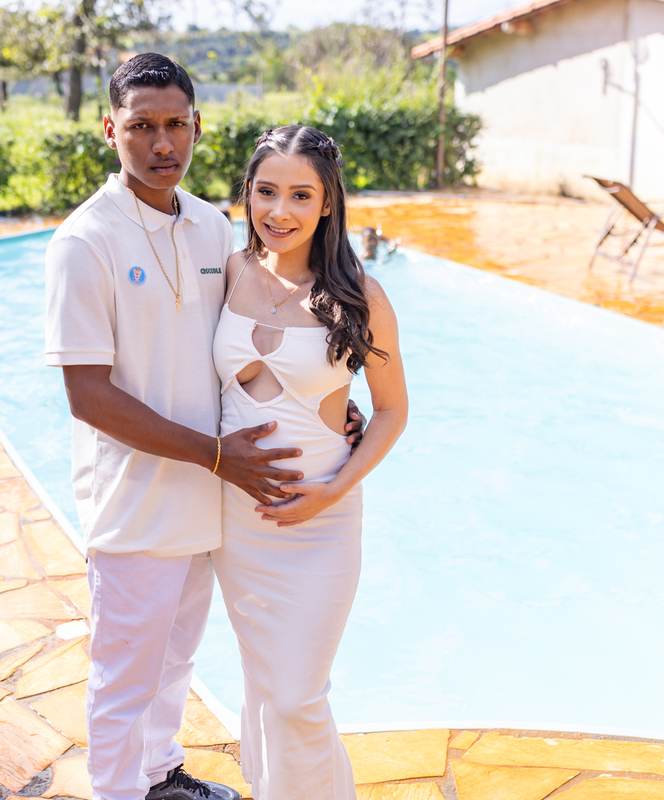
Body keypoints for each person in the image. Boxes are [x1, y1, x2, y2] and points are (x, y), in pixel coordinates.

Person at [44, 55, 363, 800]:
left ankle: (159, 774)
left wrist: (326, 400)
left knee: (176, 658)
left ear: (197, 125)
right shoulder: (83, 243)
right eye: (141, 127)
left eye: (175, 125)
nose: (162, 144)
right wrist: (217, 455)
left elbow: (246, 341)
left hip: (213, 499)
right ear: (110, 130)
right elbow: (87, 395)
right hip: (137, 498)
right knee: (124, 672)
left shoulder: (212, 226)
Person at [211, 125, 409, 800]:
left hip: (321, 521)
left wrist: (332, 491)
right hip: (236, 522)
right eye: (266, 191)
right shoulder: (228, 274)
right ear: (247, 193)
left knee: (298, 696)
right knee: (269, 684)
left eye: (301, 195)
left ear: (328, 204)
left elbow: (391, 412)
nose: (280, 211)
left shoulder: (359, 296)